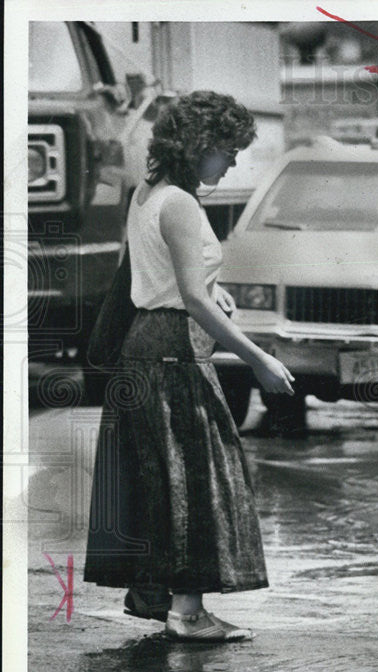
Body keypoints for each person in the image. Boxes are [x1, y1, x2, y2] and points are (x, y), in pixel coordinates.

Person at [84, 91, 296, 642]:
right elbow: (188, 297)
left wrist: (215, 289)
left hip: (148, 346)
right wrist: (260, 358)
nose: (232, 162)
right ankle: (188, 612)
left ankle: (172, 604)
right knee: (196, 476)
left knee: (165, 479)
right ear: (200, 145)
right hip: (172, 349)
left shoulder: (147, 193)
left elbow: (163, 275)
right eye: (227, 150)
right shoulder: (180, 203)